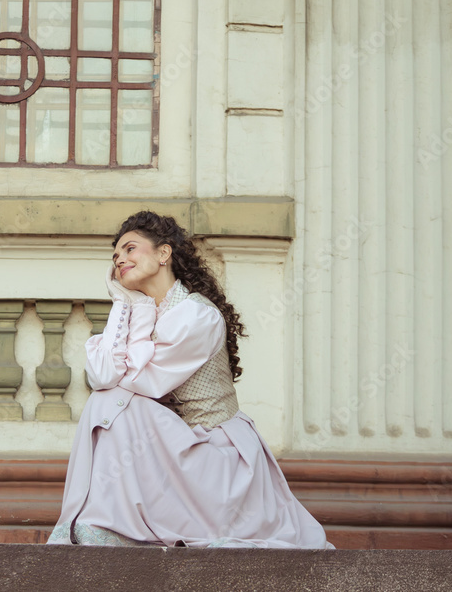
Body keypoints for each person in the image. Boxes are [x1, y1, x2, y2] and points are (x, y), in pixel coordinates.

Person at [47, 211, 333, 548]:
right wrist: (125, 303)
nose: (120, 259)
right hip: (177, 447)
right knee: (106, 400)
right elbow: (103, 375)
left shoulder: (196, 315)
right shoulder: (142, 311)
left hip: (218, 456)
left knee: (113, 401)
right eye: (115, 256)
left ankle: (110, 524)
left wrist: (127, 319)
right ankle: (104, 522)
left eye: (129, 249)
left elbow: (140, 382)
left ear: (163, 253)